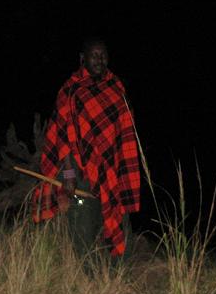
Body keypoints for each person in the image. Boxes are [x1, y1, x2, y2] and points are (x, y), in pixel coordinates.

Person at [34, 38, 141, 261]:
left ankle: (117, 275)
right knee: (83, 226)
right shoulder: (72, 91)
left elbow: (125, 134)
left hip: (112, 172)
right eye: (94, 55)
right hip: (80, 174)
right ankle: (87, 278)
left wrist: (119, 170)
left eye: (103, 55)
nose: (100, 60)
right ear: (82, 58)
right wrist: (69, 176)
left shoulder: (116, 88)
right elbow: (63, 142)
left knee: (118, 223)